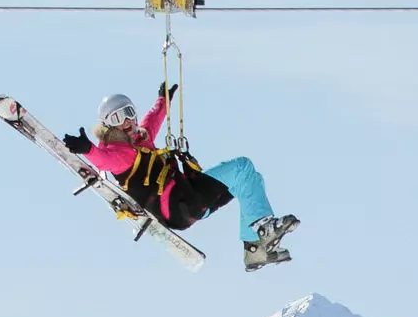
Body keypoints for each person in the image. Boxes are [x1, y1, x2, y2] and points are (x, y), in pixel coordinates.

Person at [63, 86, 289, 260]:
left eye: (129, 112)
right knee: (242, 167)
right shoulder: (121, 153)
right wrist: (88, 150)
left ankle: (254, 249)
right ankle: (264, 228)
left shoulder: (140, 141)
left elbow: (151, 121)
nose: (127, 121)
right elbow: (105, 161)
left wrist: (163, 100)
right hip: (178, 202)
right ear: (108, 126)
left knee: (250, 180)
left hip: (186, 205)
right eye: (117, 118)